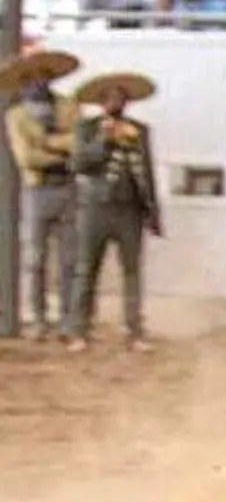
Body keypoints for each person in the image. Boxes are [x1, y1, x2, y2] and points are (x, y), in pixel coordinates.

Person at [63, 71, 162, 352]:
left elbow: (147, 172)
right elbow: (79, 163)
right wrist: (103, 140)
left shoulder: (139, 131)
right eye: (110, 97)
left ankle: (135, 330)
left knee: (132, 271)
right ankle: (78, 329)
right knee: (86, 270)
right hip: (96, 207)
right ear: (101, 101)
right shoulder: (87, 127)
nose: (116, 102)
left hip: (130, 208)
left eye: (120, 97)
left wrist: (153, 211)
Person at [1, 47, 83, 341]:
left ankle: (68, 320)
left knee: (70, 259)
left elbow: (79, 143)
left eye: (44, 75)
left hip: (68, 187)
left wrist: (47, 143)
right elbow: (27, 158)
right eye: (33, 76)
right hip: (38, 189)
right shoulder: (16, 115)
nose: (39, 81)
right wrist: (60, 151)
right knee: (35, 258)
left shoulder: (68, 106)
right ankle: (38, 319)